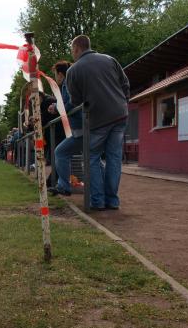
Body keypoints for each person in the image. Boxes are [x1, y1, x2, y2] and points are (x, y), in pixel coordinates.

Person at [66, 35, 130, 210]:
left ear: (77, 48)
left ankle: (98, 201)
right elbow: (125, 84)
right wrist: (124, 103)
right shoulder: (110, 60)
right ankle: (113, 200)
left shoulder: (73, 71)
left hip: (98, 119)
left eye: (72, 50)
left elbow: (76, 100)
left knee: (91, 157)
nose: (72, 53)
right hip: (120, 115)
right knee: (114, 158)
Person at [47, 60, 83, 196]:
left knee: (60, 152)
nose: (56, 77)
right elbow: (67, 102)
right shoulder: (69, 83)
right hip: (81, 127)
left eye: (56, 74)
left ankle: (64, 186)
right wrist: (56, 105)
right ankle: (63, 185)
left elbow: (69, 104)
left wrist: (55, 107)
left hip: (80, 128)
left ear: (60, 74)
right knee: (93, 157)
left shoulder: (67, 83)